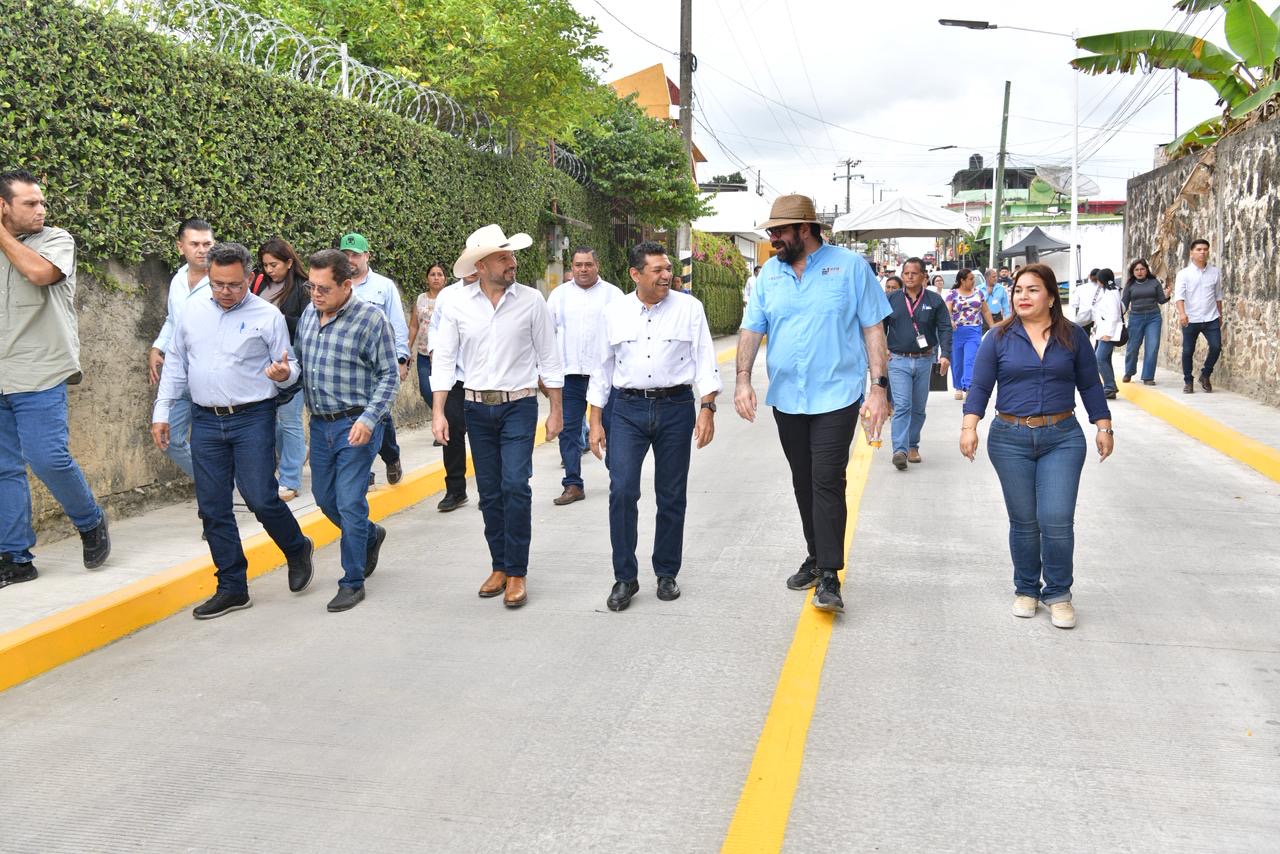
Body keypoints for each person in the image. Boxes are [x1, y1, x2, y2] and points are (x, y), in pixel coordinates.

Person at [734, 194, 891, 614]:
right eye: (771, 231)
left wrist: (878, 388)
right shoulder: (770, 273)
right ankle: (815, 555)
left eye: (779, 231)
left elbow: (873, 328)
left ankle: (830, 575)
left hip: (837, 395)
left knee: (826, 479)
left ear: (805, 228)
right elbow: (751, 328)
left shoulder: (851, 267)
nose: (772, 239)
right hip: (787, 397)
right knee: (803, 481)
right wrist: (742, 379)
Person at [151, 242, 313, 619]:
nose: (225, 291)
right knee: (213, 507)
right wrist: (162, 411)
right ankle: (232, 586)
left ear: (248, 277)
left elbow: (291, 367)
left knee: (260, 498)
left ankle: (296, 547)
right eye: (218, 284)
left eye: (235, 285)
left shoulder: (267, 316)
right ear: (209, 278)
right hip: (205, 420)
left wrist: (284, 374)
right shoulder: (192, 312)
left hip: (252, 416)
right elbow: (175, 364)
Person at [960, 263, 1114, 630]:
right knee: (1025, 521)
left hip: (1062, 437)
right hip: (1009, 438)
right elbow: (980, 386)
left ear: (1050, 296)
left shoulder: (1073, 336)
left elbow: (1090, 385)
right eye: (1018, 290)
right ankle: (1027, 588)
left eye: (1032, 290)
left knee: (1056, 519)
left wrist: (1103, 425)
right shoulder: (998, 337)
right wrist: (969, 426)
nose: (1023, 296)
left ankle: (1058, 593)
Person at [430, 224, 564, 609]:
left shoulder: (532, 301)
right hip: (475, 408)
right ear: (481, 265)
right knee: (489, 492)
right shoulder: (456, 303)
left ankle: (517, 571)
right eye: (503, 257)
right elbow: (444, 360)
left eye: (512, 255)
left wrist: (556, 410)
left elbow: (550, 358)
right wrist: (438, 412)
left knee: (515, 485)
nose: (512, 262)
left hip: (519, 405)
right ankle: (500, 566)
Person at [587, 241, 721, 612]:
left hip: (676, 407)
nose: (666, 276)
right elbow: (602, 369)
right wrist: (595, 420)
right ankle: (625, 577)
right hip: (626, 410)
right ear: (635, 274)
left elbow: (705, 360)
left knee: (671, 494)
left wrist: (707, 408)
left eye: (668, 269)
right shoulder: (614, 312)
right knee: (622, 491)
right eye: (657, 270)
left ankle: (666, 572)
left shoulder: (689, 309)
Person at [0, 168, 111, 587]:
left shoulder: (56, 240)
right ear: (3, 206)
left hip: (41, 370)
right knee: (3, 468)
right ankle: (15, 557)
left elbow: (40, 274)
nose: (41, 209)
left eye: (42, 202)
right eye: (30, 203)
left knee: (47, 457)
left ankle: (89, 520)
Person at [293, 249, 398, 612]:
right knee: (325, 499)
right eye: (311, 286)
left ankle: (352, 581)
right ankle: (369, 535)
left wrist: (369, 419)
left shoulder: (372, 320)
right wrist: (285, 374)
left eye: (323, 288)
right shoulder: (309, 316)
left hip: (356, 424)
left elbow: (389, 376)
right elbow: (299, 364)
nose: (315, 294)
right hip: (320, 425)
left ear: (347, 284)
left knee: (350, 502)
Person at [546, 246, 623, 505]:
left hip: (607, 377)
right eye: (578, 265)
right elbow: (547, 336)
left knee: (613, 428)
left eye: (588, 264)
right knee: (568, 431)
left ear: (597, 265)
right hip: (569, 377)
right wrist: (545, 373)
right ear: (572, 266)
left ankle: (619, 479)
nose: (583, 269)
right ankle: (572, 484)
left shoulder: (614, 296)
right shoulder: (558, 296)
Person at [339, 232, 410, 483]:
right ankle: (363, 471)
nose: (350, 260)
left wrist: (401, 360)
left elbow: (398, 325)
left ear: (367, 255)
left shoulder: (384, 286)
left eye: (355, 255)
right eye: (345, 255)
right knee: (352, 415)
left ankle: (391, 456)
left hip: (378, 365)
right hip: (347, 367)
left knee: (379, 415)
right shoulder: (337, 286)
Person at [148, 218, 215, 479]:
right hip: (179, 374)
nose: (202, 250)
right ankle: (213, 483)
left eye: (207, 244)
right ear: (180, 247)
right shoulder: (178, 279)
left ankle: (217, 488)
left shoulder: (222, 283)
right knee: (170, 440)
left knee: (214, 443)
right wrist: (157, 347)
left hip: (210, 376)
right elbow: (173, 320)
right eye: (195, 244)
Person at [253, 237, 311, 502]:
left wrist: (277, 319)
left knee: (289, 419)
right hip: (262, 361)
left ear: (289, 262)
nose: (269, 270)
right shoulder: (259, 285)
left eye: (274, 264)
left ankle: (289, 479)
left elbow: (308, 326)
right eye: (265, 265)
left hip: (291, 360)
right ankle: (296, 454)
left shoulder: (303, 288)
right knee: (270, 420)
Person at [884, 257, 952, 470]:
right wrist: (881, 350)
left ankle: (913, 445)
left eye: (914, 273)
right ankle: (900, 450)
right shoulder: (891, 299)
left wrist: (945, 354)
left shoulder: (934, 300)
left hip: (925, 360)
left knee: (918, 408)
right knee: (902, 405)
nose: (909, 277)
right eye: (906, 273)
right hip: (898, 360)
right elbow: (879, 326)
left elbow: (945, 328)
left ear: (924, 276)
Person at [427, 270, 478, 512]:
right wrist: (434, 350)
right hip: (455, 377)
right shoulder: (447, 296)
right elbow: (435, 328)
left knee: (482, 434)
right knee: (452, 432)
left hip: (484, 379)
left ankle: (489, 490)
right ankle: (455, 490)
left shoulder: (494, 291)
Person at [1174, 239, 1224, 394]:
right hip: (1191, 319)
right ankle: (1188, 381)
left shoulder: (1215, 272)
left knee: (1216, 347)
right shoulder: (1184, 274)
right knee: (1188, 351)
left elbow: (1218, 296)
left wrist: (1220, 314)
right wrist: (1182, 313)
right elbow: (1179, 296)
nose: (1202, 252)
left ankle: (1205, 374)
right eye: (1199, 249)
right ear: (1191, 253)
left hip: (1211, 318)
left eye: (1205, 249)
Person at [944, 268, 993, 400]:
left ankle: (968, 386)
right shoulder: (952, 294)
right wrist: (950, 321)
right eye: (971, 279)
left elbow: (986, 311)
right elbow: (947, 311)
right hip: (957, 332)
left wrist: (992, 326)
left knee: (971, 359)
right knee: (957, 361)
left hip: (974, 331)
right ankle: (958, 387)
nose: (973, 281)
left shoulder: (978, 293)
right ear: (962, 280)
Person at [407, 261, 448, 419]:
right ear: (427, 278)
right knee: (426, 390)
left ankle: (445, 420)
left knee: (445, 390)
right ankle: (443, 417)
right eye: (432, 275)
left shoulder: (450, 299)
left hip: (444, 354)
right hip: (424, 354)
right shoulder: (420, 299)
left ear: (445, 279)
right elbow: (414, 326)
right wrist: (407, 348)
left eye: (440, 275)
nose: (436, 278)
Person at [1120, 258, 1170, 386]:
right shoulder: (1130, 285)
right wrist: (1117, 316)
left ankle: (1148, 376)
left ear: (1147, 270)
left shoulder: (1154, 282)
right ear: (1133, 272)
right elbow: (1124, 304)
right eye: (1136, 270)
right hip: (1136, 318)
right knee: (1132, 347)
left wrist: (1167, 295)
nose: (1139, 272)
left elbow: (1161, 300)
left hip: (1154, 318)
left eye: (1142, 269)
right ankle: (1129, 372)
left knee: (1152, 347)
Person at [1091, 268, 1125, 400]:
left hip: (1109, 333)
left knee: (1099, 358)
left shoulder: (1111, 293)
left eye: (1098, 279)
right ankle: (1111, 387)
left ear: (1102, 280)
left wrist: (1109, 334)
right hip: (1104, 331)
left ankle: (1109, 387)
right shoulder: (1110, 291)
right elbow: (1122, 308)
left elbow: (1114, 314)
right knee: (1105, 359)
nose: (1097, 282)